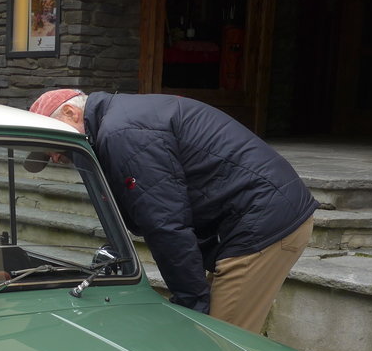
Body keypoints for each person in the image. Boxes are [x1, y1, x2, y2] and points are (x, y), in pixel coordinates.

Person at [29, 89, 317, 334]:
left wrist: (191, 301)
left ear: (70, 112)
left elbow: (164, 222)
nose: (55, 157)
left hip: (263, 222)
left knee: (222, 346)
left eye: (53, 147)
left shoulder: (123, 134)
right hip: (250, 218)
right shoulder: (118, 122)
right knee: (225, 336)